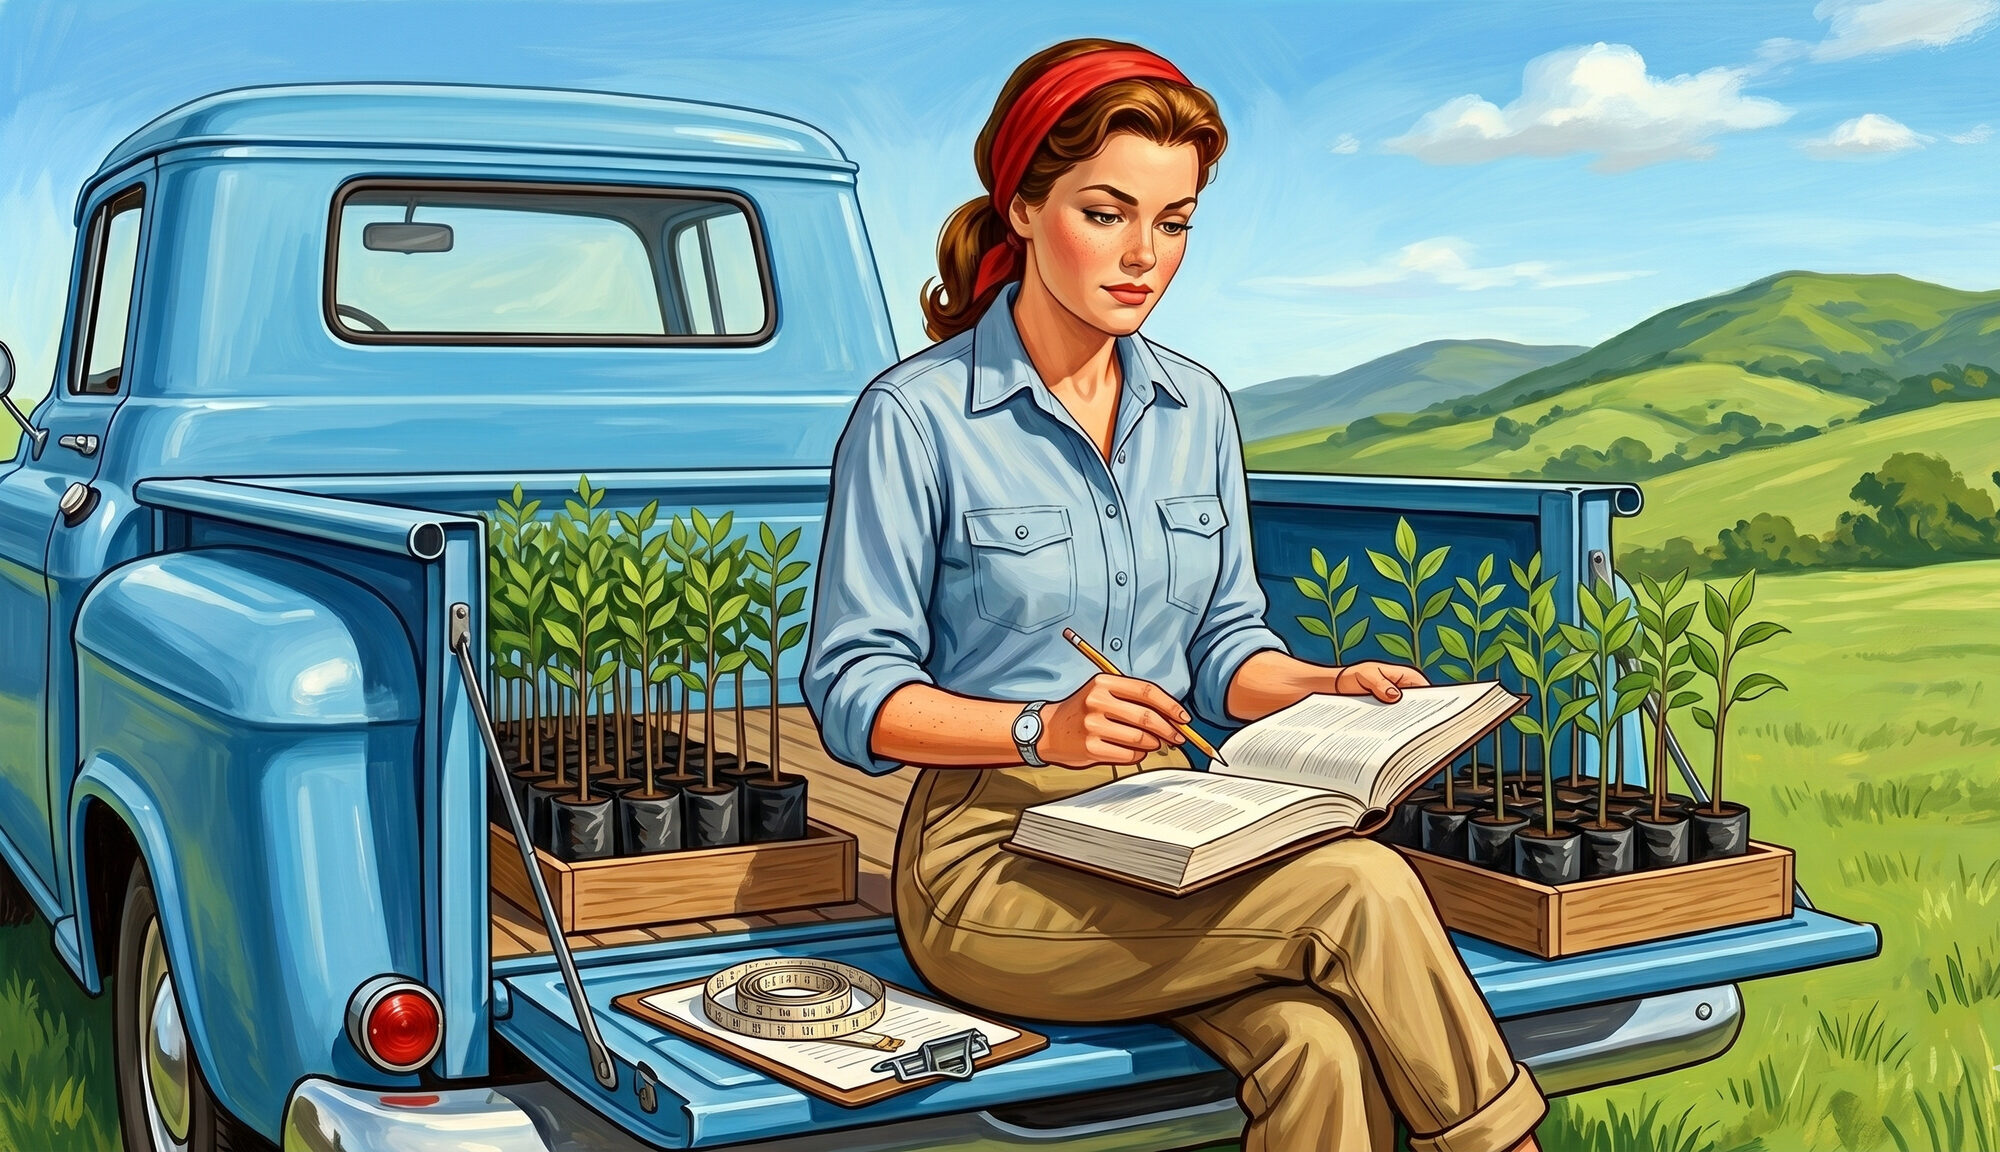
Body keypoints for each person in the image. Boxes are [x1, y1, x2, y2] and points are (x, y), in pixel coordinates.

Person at [801, 37, 1546, 1152]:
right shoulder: (915, 416)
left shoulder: (1195, 407)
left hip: (1176, 833)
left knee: (1319, 1052)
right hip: (992, 865)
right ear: (1019, 207)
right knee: (1358, 888)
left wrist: (1321, 684)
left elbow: (1225, 648)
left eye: (1174, 220)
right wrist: (1037, 726)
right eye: (1106, 212)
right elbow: (853, 692)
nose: (1143, 254)